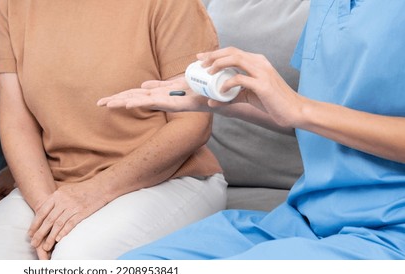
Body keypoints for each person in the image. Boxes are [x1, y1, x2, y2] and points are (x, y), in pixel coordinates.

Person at [98, 0, 405, 259]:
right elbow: (316, 118)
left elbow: (303, 111)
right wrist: (230, 101)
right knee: (140, 264)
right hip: (303, 219)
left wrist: (299, 108)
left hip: (390, 233)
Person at [0, 0, 227, 260]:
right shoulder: (13, 4)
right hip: (57, 183)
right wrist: (48, 211)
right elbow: (18, 123)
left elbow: (193, 124)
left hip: (169, 179)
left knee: (78, 257)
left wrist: (95, 191)